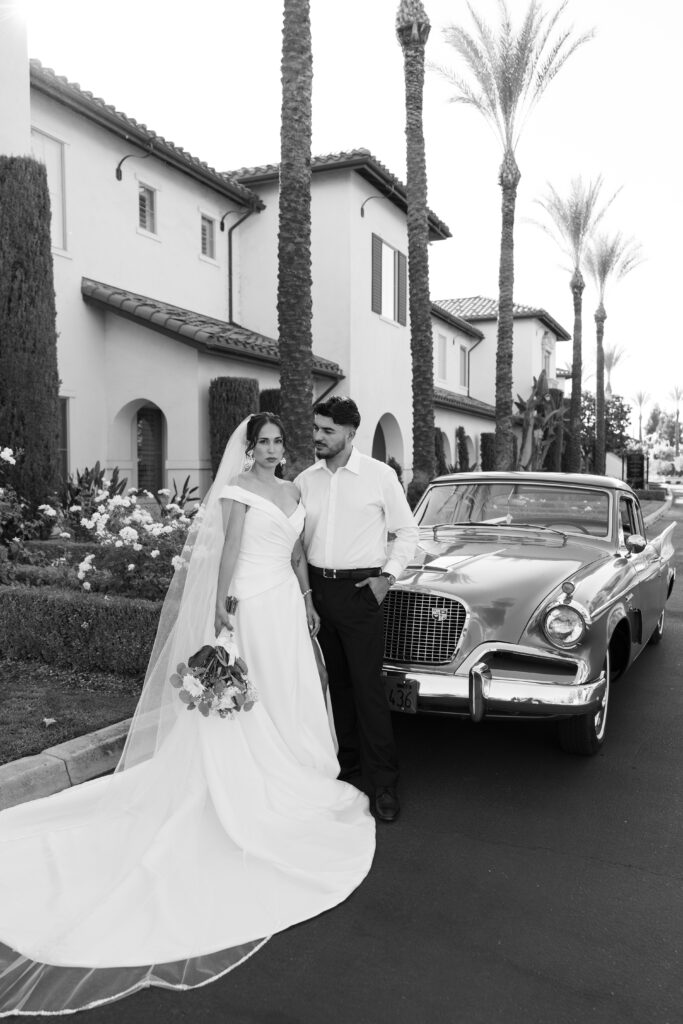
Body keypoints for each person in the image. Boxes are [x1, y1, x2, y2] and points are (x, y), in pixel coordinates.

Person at [0, 412, 374, 1017]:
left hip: (285, 604)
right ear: (248, 449)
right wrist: (225, 610)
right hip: (250, 604)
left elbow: (299, 554)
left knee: (289, 693)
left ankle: (299, 767)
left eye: (279, 442)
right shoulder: (238, 491)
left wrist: (306, 603)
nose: (272, 451)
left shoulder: (294, 488)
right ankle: (255, 783)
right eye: (263, 443)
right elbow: (228, 549)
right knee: (253, 703)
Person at [296, 397, 419, 823]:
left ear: (351, 434)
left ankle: (383, 784)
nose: (318, 437)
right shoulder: (305, 480)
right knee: (337, 689)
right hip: (318, 594)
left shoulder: (379, 476)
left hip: (361, 591)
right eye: (316, 428)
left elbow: (408, 532)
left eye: (328, 430)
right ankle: (348, 774)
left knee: (368, 690)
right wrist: (305, 596)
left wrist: (388, 577)